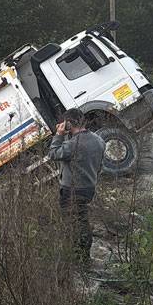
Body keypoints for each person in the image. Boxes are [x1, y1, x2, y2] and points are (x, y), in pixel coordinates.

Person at [48, 108, 106, 264]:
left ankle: (79, 258)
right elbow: (100, 165)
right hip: (89, 187)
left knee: (73, 223)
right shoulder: (99, 140)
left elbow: (53, 154)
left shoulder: (73, 144)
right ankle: (82, 255)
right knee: (81, 219)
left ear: (69, 123)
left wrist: (59, 135)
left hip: (71, 190)